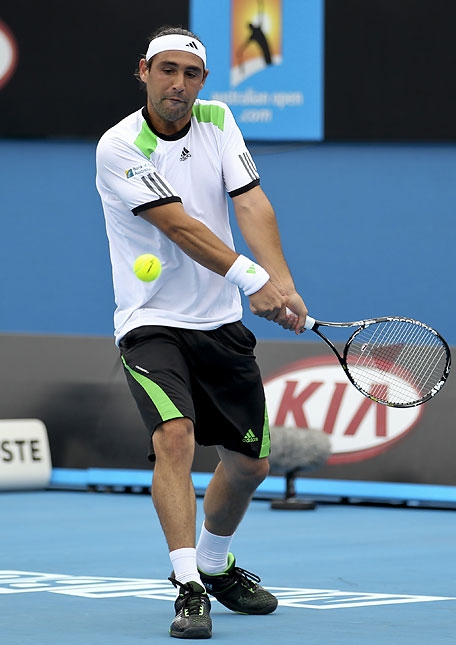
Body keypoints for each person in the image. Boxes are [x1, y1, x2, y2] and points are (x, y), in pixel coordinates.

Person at [96, 25, 308, 640]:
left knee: (249, 467)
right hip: (150, 322)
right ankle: (188, 584)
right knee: (175, 436)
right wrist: (253, 279)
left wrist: (283, 284)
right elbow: (180, 226)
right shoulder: (118, 146)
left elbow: (251, 202)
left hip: (219, 322)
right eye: (166, 70)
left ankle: (215, 564)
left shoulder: (217, 119)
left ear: (204, 81)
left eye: (190, 74)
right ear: (143, 71)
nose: (178, 84)